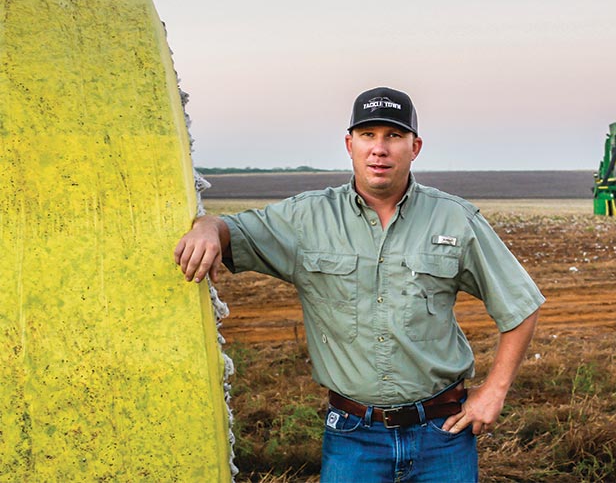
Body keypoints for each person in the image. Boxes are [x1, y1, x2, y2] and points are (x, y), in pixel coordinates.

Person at [174, 87, 544, 482]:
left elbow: (520, 306)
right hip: (354, 437)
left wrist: (494, 392)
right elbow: (231, 231)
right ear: (349, 144)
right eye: (368, 135)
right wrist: (207, 228)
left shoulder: (455, 220)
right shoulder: (305, 219)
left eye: (394, 136)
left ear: (415, 146)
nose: (379, 149)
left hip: (442, 433)